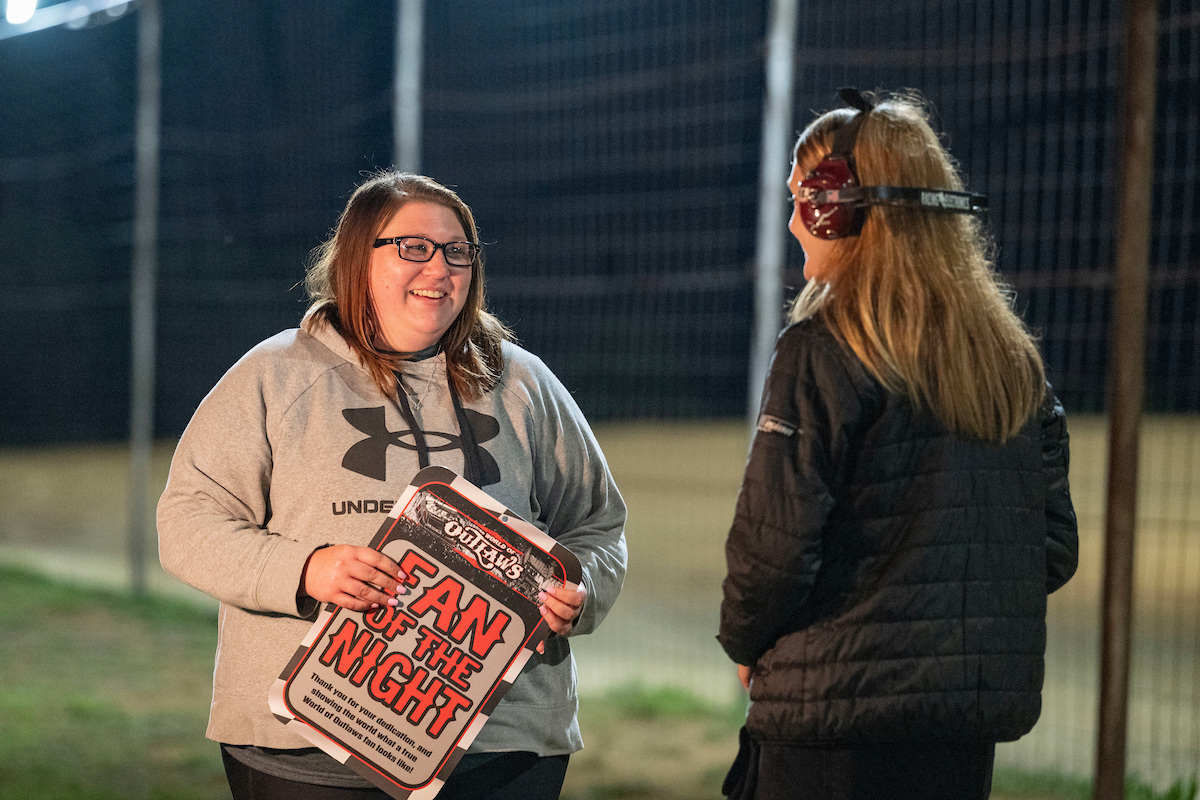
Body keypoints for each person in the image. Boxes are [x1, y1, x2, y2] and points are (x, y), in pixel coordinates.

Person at [158, 171, 628, 800]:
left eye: (457, 250)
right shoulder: (274, 375)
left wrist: (580, 588)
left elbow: (597, 526)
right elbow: (188, 522)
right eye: (413, 247)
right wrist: (305, 569)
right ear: (358, 258)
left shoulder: (522, 384)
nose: (439, 267)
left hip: (502, 749)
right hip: (308, 749)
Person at [717, 88, 1079, 800]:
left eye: (801, 199)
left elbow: (775, 551)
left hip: (829, 726)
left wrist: (744, 641)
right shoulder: (1010, 360)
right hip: (959, 729)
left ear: (837, 207)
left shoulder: (822, 349)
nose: (793, 223)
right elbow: (1053, 544)